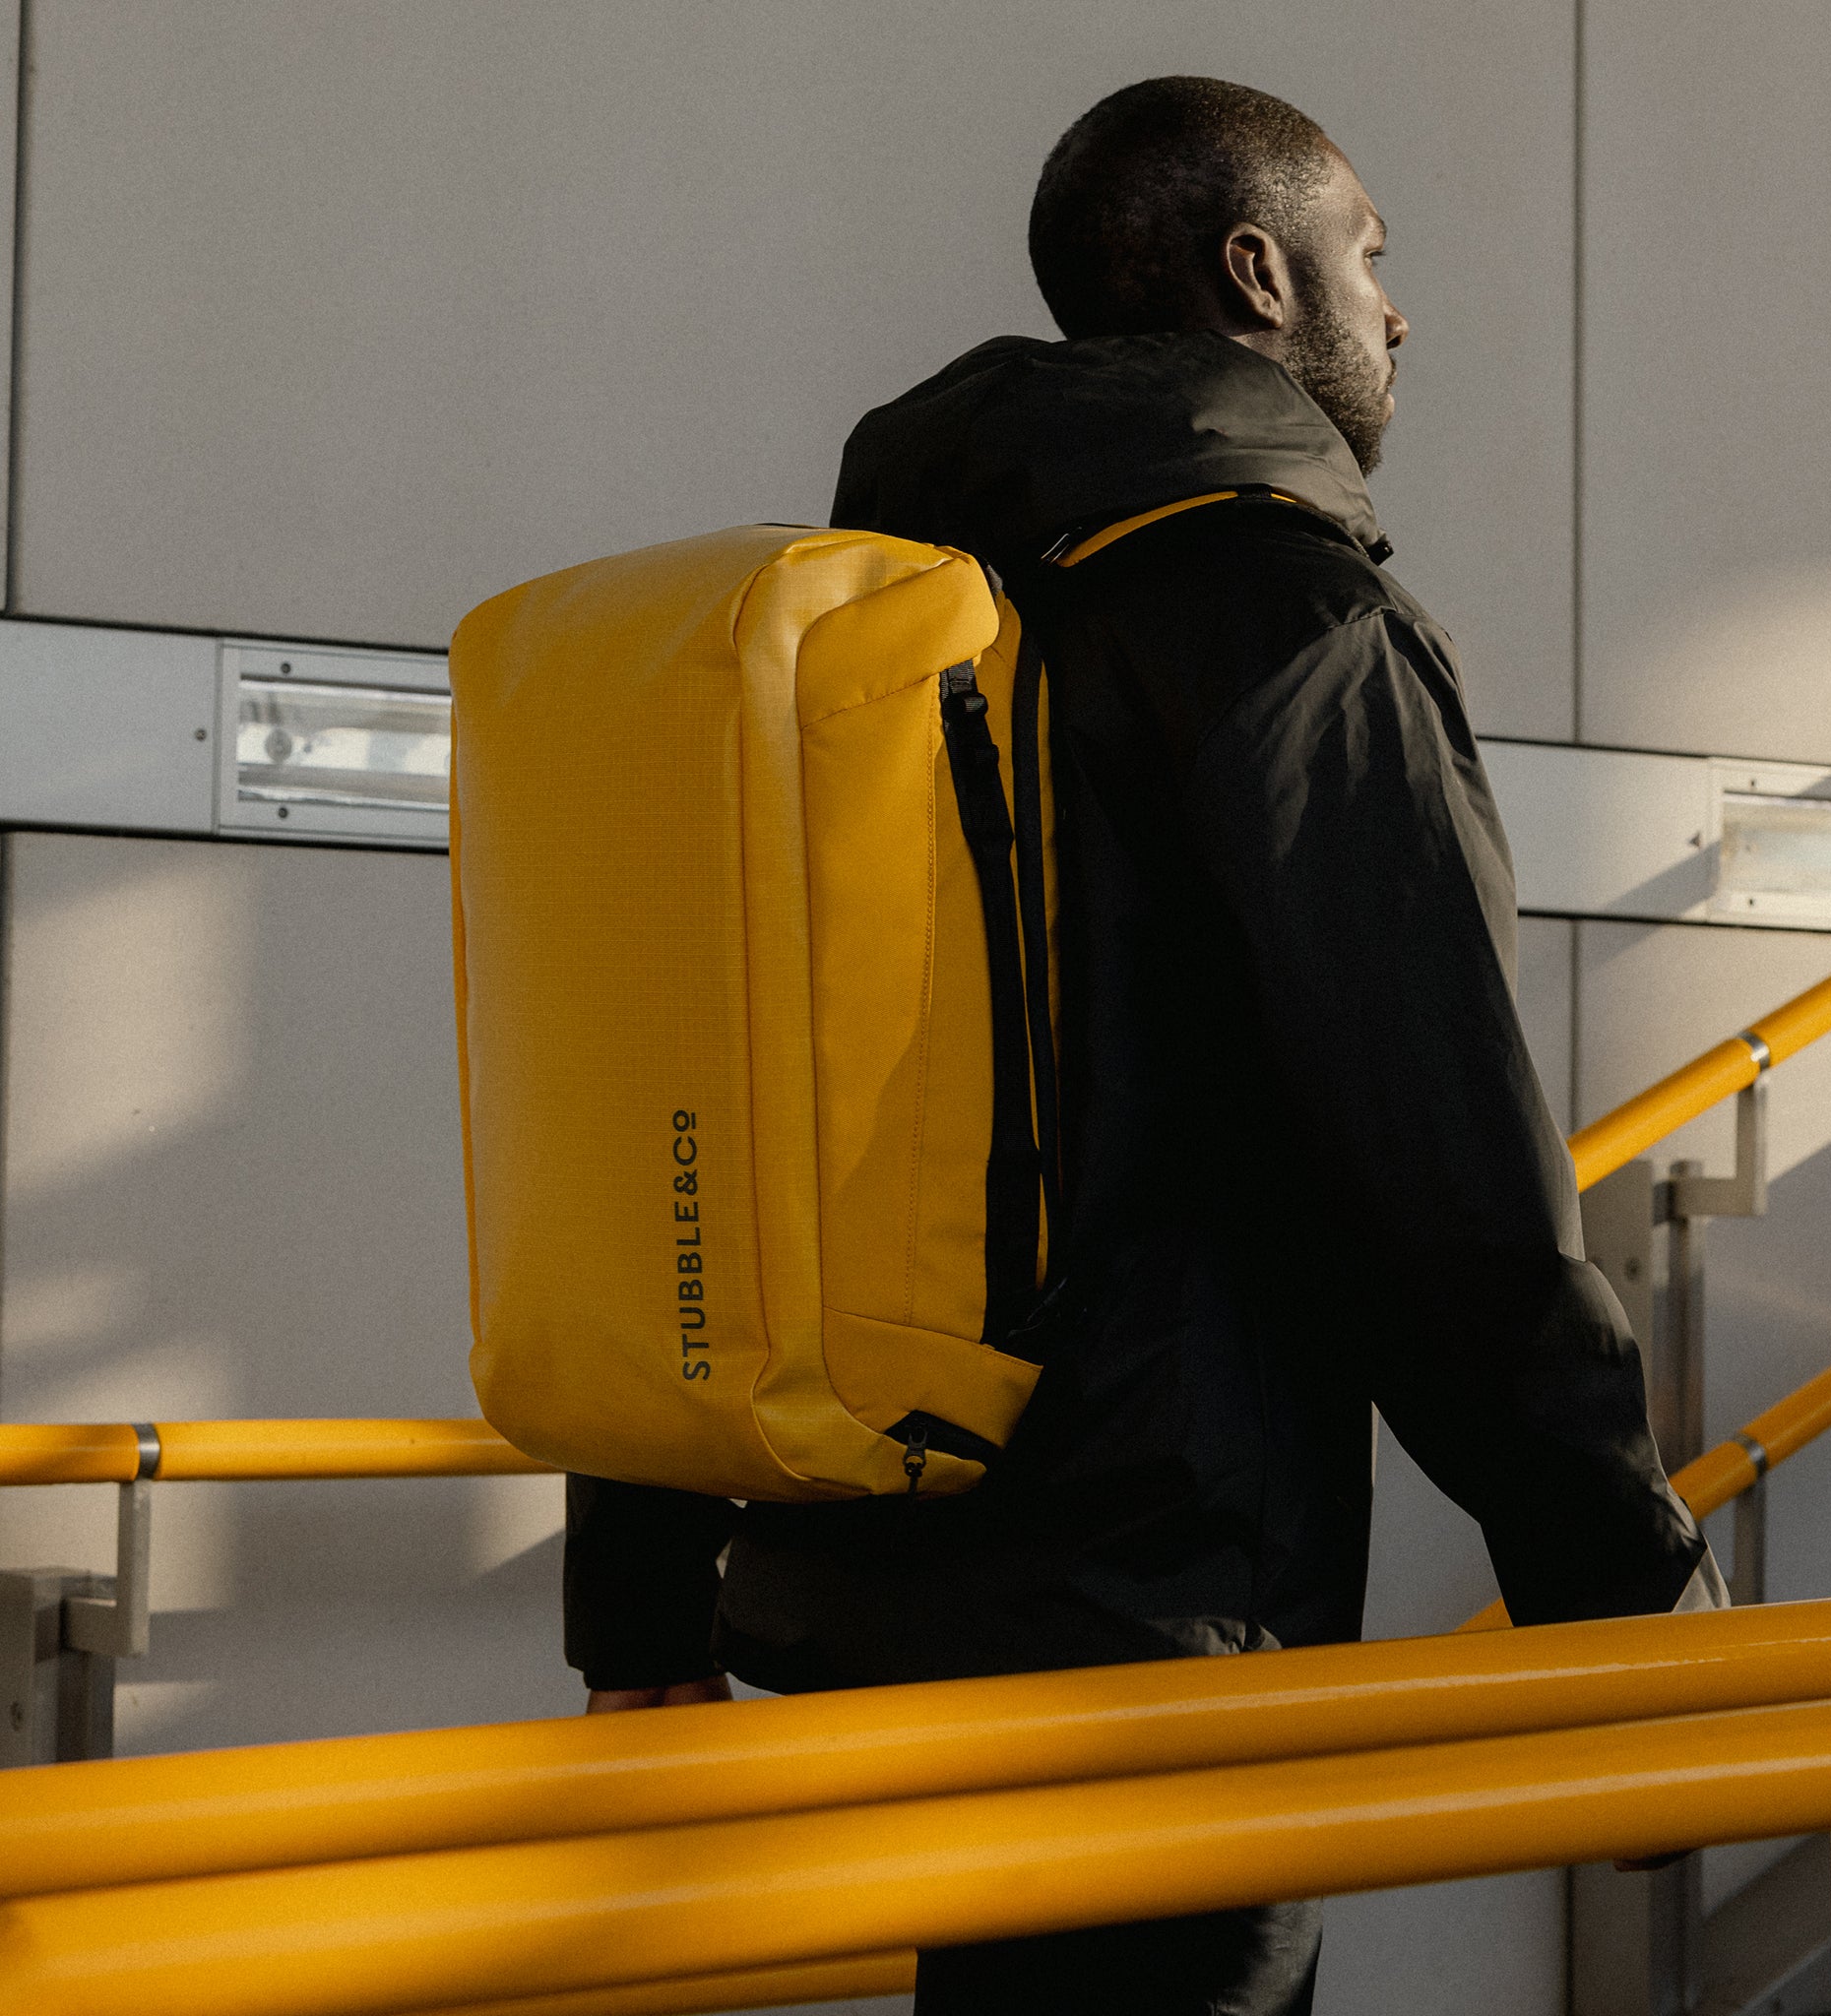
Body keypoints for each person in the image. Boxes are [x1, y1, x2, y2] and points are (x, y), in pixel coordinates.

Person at [565, 75, 1724, 2016]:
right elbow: (1435, 1155)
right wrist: (1627, 1606)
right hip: (1159, 1583)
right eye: (1372, 256)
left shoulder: (852, 633)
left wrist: (639, 1594)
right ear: (1259, 276)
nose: (1401, 310)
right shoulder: (1278, 609)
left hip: (870, 1548)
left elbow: (689, 1080)